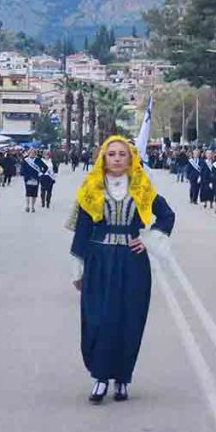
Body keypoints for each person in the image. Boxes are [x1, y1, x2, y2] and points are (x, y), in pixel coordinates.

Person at [68, 136, 175, 404]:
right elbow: (82, 230)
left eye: (122, 154)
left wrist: (147, 239)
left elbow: (167, 216)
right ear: (103, 158)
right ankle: (99, 377)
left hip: (131, 263)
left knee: (128, 319)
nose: (116, 158)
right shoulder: (91, 189)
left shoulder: (141, 187)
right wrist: (77, 268)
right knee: (98, 319)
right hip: (99, 261)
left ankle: (122, 378)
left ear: (131, 159)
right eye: (111, 154)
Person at [21, 148, 42, 213]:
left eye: (33, 153)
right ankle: (27, 206)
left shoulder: (38, 160)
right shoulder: (26, 161)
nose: (32, 154)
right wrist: (27, 177)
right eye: (31, 153)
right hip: (28, 179)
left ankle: (32, 206)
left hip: (36, 179)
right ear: (29, 153)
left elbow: (41, 169)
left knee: (34, 194)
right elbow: (23, 170)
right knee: (28, 193)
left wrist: (38, 176)